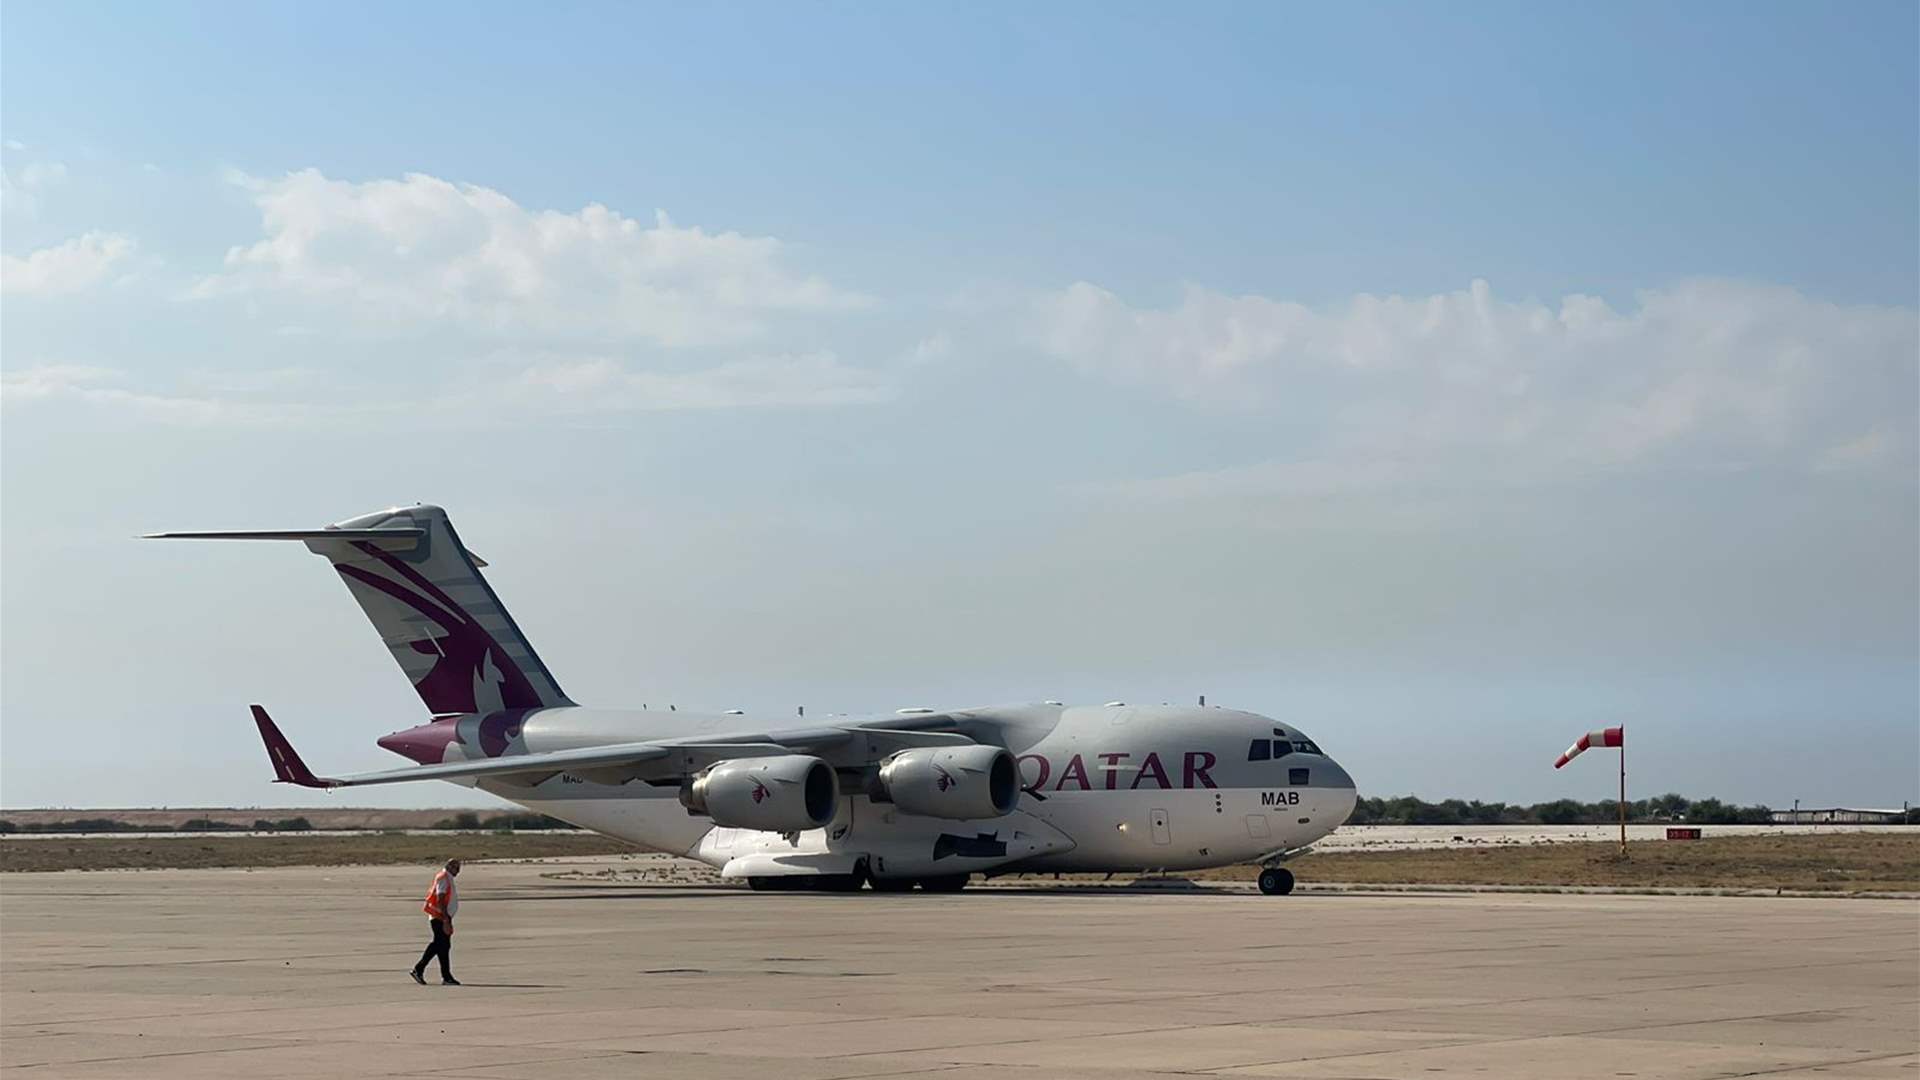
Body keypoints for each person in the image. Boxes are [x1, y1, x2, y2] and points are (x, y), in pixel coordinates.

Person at [410, 858, 461, 985]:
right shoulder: (444, 877)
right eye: (456, 867)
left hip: (442, 916)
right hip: (439, 917)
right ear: (450, 867)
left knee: (443, 946)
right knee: (439, 944)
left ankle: (446, 976)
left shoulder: (447, 877)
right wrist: (445, 919)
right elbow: (440, 897)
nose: (458, 871)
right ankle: (419, 969)